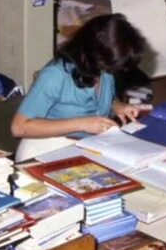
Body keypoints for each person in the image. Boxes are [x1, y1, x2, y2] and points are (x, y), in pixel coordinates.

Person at [11, 13, 147, 162]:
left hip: (86, 148)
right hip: (46, 150)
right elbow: (18, 127)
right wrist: (82, 123)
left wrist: (115, 104)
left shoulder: (104, 68)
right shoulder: (55, 74)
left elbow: (98, 99)